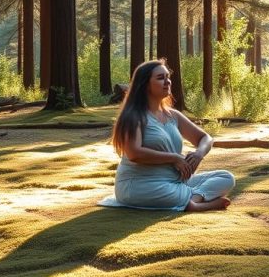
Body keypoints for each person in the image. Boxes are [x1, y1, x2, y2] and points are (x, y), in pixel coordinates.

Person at [100, 60, 235, 212]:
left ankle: (193, 201)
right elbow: (134, 153)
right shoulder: (133, 116)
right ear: (145, 85)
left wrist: (199, 154)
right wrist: (174, 158)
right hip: (140, 186)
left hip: (176, 182)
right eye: (160, 78)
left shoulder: (173, 116)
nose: (168, 81)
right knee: (168, 192)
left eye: (167, 77)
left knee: (226, 177)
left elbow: (206, 138)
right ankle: (196, 203)